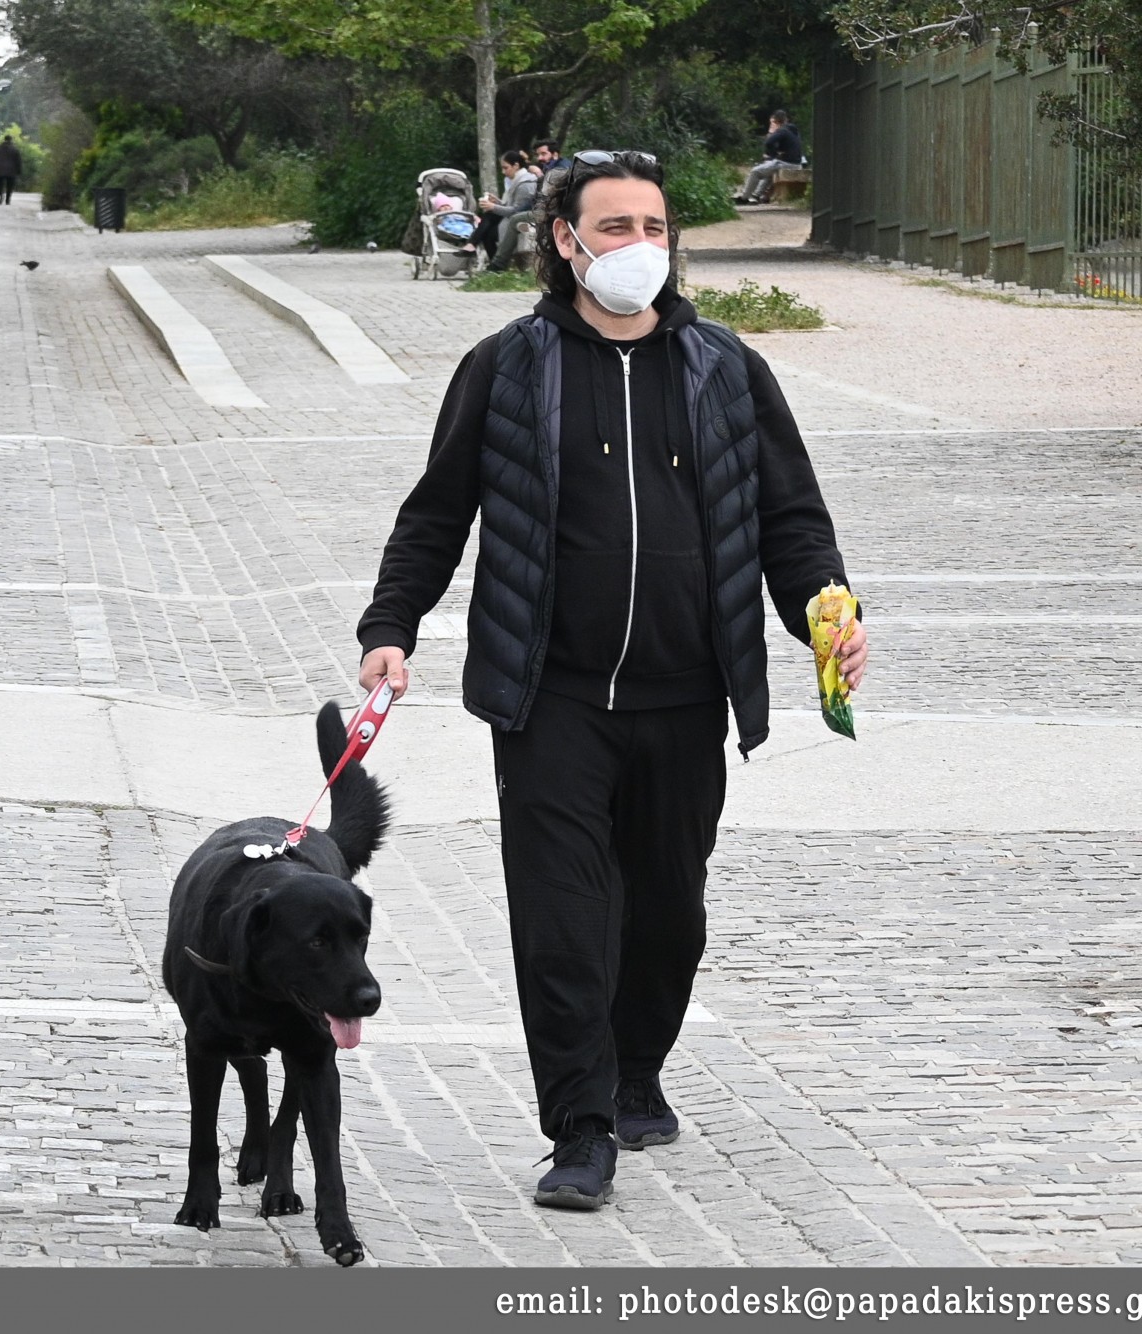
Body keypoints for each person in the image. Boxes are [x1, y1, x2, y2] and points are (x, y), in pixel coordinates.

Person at [356, 150, 866, 1211]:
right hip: (551, 696)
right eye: (615, 226)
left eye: (652, 225)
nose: (638, 245)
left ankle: (636, 1069)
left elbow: (789, 519)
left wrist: (826, 612)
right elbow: (436, 511)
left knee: (668, 913)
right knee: (561, 915)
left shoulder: (725, 368)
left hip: (687, 694)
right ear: (562, 240)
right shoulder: (507, 365)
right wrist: (389, 625)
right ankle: (579, 1125)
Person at [475, 148, 538, 268]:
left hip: (521, 219)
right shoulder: (517, 180)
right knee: (488, 227)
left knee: (489, 228)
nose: (503, 172)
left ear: (516, 166)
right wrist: (497, 202)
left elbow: (517, 211)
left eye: (505, 168)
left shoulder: (525, 184)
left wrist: (493, 206)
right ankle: (495, 264)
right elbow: (512, 206)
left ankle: (496, 263)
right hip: (513, 218)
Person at [736, 112, 805, 205]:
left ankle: (744, 198)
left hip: (786, 163)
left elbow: (769, 142)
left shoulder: (782, 130)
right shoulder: (793, 131)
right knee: (768, 171)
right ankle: (756, 195)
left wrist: (773, 154)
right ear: (786, 120)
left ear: (776, 121)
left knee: (755, 172)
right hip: (797, 164)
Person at [0, 133, 23, 205]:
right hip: (11, 170)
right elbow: (18, 161)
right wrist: (19, 171)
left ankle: (1, 194)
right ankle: (8, 198)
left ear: (4, 139)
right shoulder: (15, 149)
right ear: (11, 140)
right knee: (10, 185)